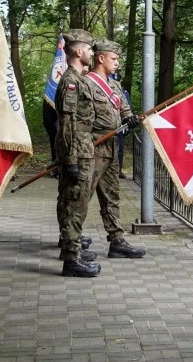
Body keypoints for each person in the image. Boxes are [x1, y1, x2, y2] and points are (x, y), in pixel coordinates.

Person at [85, 40, 144, 258]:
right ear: (101, 58)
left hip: (112, 149)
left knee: (112, 196)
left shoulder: (115, 85)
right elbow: (79, 121)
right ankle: (71, 241)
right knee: (81, 197)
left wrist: (130, 120)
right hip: (92, 149)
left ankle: (117, 240)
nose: (117, 63)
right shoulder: (86, 84)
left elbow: (124, 111)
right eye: (114, 58)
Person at [54, 29, 101, 278]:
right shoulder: (71, 81)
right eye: (90, 49)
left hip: (82, 150)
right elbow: (68, 122)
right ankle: (72, 259)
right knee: (75, 205)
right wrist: (71, 159)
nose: (92, 53)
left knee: (73, 201)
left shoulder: (78, 79)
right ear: (78, 51)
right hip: (78, 152)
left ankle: (70, 250)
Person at [42, 100, 59, 178]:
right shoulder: (50, 91)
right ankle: (55, 168)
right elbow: (47, 118)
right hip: (54, 125)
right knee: (55, 145)